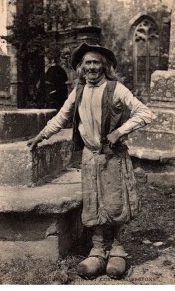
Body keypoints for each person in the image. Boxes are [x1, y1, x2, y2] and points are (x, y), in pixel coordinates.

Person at [27, 43, 152, 280]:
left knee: (115, 202)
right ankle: (97, 251)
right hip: (90, 156)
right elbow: (62, 116)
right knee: (94, 203)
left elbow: (145, 113)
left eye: (96, 62)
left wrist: (120, 132)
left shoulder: (117, 89)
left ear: (104, 66)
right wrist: (41, 136)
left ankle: (116, 250)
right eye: (87, 63)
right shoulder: (79, 91)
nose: (92, 67)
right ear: (80, 68)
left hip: (112, 156)